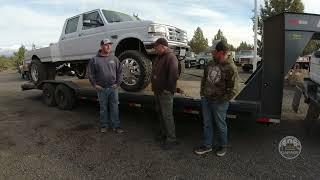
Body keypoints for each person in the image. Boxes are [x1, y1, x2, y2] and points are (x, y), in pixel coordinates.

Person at [194, 41, 239, 157]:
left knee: (220, 125)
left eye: (215, 51)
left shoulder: (231, 67)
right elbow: (204, 79)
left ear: (222, 52)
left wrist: (222, 100)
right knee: (207, 123)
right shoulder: (210, 63)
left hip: (220, 102)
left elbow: (234, 89)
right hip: (206, 99)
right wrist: (202, 93)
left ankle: (223, 146)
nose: (213, 53)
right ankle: (207, 145)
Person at [88, 39, 124, 134]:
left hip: (113, 88)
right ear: (101, 46)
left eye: (110, 45)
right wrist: (95, 85)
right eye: (106, 45)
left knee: (114, 108)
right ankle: (104, 126)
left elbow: (120, 72)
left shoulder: (114, 59)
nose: (108, 47)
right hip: (102, 89)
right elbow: (90, 74)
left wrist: (118, 83)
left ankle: (116, 126)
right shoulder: (94, 60)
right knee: (103, 108)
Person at [151, 38, 179, 149]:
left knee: (167, 116)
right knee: (160, 114)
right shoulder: (159, 57)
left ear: (163, 46)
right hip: (157, 91)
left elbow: (173, 75)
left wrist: (168, 89)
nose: (155, 49)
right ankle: (164, 134)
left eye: (156, 47)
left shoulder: (171, 57)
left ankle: (171, 139)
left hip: (165, 92)